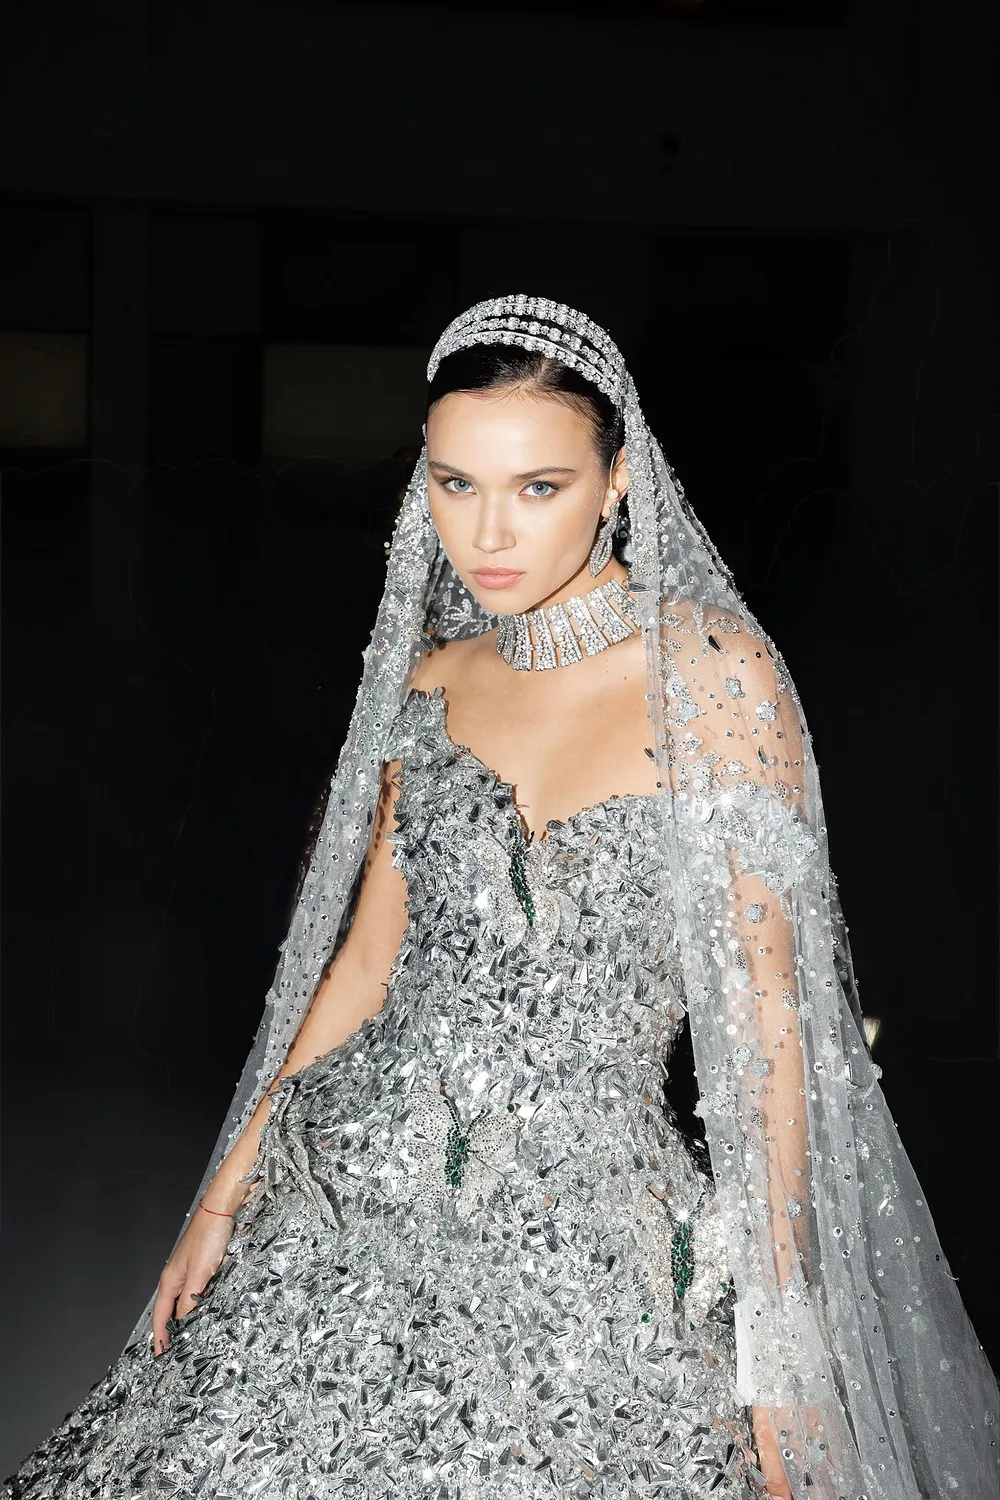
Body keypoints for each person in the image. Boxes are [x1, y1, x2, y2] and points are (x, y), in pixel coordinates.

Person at [5, 295, 997, 1500]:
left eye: (537, 487)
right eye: (454, 483)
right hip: (345, 1210)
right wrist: (219, 1201)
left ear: (617, 480)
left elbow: (770, 1026)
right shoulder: (432, 681)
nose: (488, 533)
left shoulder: (714, 679)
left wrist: (777, 1347)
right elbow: (365, 967)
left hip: (586, 1253)